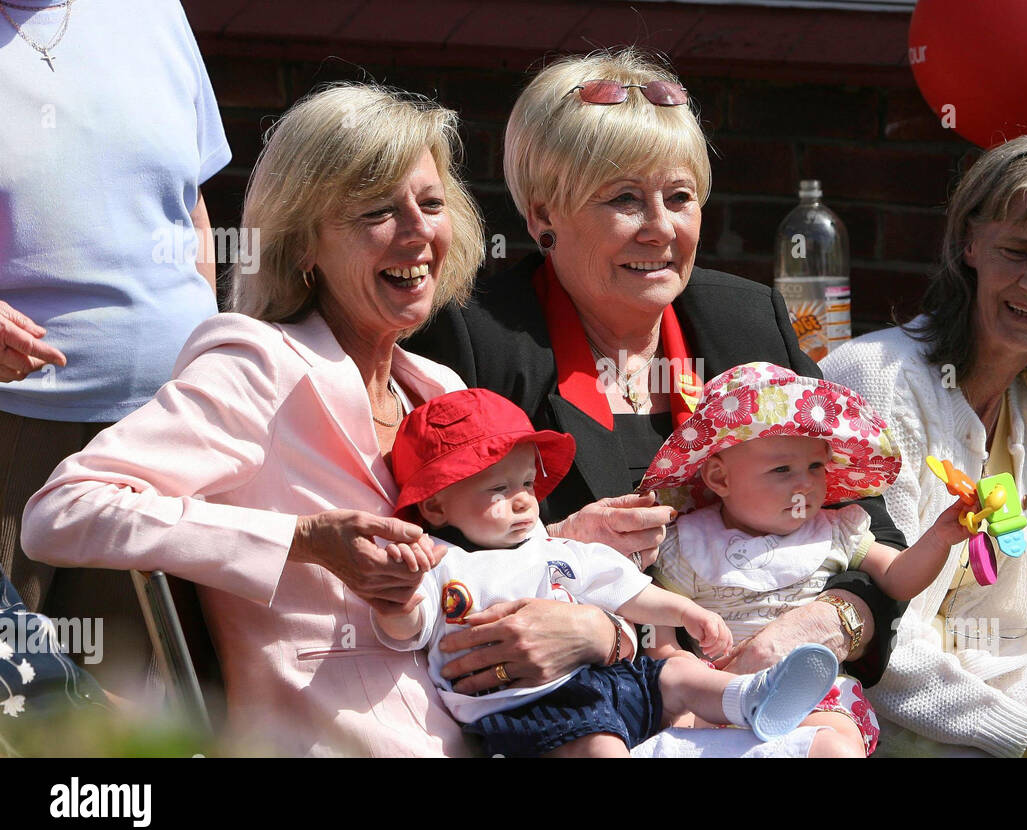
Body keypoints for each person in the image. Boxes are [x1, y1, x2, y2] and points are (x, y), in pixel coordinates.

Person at [20, 83, 634, 757]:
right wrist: (303, 540)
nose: (418, 231)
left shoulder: (439, 391)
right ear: (303, 243)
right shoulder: (257, 366)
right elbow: (62, 511)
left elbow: (508, 580)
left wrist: (606, 625)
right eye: (377, 210)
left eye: (431, 204)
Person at [405, 47, 905, 694]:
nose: (661, 229)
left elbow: (871, 526)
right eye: (624, 199)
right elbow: (424, 562)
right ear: (541, 216)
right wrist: (553, 545)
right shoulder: (477, 341)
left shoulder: (747, 322)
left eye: (679, 197)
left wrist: (828, 621)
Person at [822, 136, 1027, 758]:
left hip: (987, 723)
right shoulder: (875, 378)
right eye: (1016, 252)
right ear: (970, 243)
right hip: (857, 719)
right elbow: (879, 636)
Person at [372, 388, 839, 757]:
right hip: (533, 708)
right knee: (599, 747)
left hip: (608, 677)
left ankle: (751, 698)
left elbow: (626, 589)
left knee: (675, 674)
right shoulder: (440, 563)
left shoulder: (553, 546)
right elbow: (411, 629)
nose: (523, 500)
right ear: (435, 505)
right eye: (499, 489)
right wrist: (399, 604)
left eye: (527, 484)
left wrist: (687, 612)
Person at [0, 0, 230, 696]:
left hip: (161, 430)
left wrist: (207, 350)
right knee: (12, 695)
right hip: (14, 436)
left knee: (126, 710)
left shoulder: (152, 10)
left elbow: (189, 205)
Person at [639, 362, 969, 757]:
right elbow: (657, 618)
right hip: (721, 693)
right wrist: (675, 666)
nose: (805, 484)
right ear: (720, 479)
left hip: (814, 695)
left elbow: (898, 578)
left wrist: (939, 538)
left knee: (832, 747)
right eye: (782, 469)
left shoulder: (835, 531)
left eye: (815, 466)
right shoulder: (689, 543)